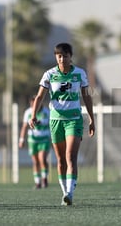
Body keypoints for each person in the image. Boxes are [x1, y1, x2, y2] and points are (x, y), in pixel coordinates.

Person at [28, 43, 95, 206]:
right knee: (60, 160)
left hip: (74, 119)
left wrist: (92, 119)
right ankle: (64, 191)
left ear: (71, 57)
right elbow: (39, 97)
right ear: (55, 57)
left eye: (65, 55)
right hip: (55, 120)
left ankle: (70, 193)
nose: (62, 58)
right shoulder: (49, 75)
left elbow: (87, 96)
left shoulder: (80, 73)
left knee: (71, 156)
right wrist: (34, 115)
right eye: (59, 55)